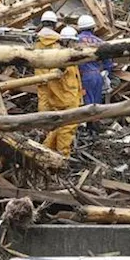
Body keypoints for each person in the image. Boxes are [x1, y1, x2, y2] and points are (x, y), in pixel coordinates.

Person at [35, 24, 82, 156]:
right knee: (67, 129)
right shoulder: (64, 58)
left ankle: (45, 150)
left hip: (63, 98)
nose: (75, 45)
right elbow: (57, 74)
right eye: (73, 42)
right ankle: (62, 155)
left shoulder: (62, 54)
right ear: (68, 41)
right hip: (66, 99)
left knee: (59, 127)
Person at [76, 15, 113, 106]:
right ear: (93, 28)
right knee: (97, 103)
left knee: (86, 103)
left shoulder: (76, 41)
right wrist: (106, 73)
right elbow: (108, 62)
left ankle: (87, 120)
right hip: (98, 75)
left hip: (83, 76)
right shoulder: (100, 42)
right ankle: (95, 119)